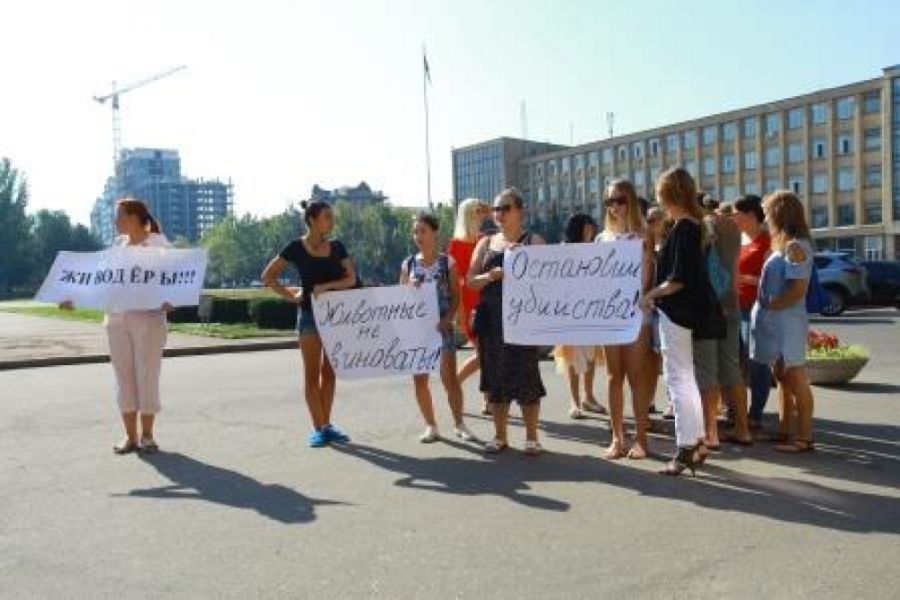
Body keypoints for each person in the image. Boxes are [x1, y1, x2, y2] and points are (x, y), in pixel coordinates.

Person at [61, 199, 171, 455]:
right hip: (116, 319)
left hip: (148, 319)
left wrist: (171, 299)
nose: (114, 221)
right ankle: (130, 437)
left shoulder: (159, 245)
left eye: (119, 216)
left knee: (147, 376)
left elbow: (175, 280)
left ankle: (147, 436)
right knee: (123, 378)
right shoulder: (117, 247)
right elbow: (98, 280)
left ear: (134, 217)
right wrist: (73, 298)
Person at [261, 199, 358, 448]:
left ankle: (327, 424)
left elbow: (351, 279)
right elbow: (268, 276)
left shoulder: (337, 247)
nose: (332, 221)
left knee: (331, 373)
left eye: (332, 216)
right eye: (327, 216)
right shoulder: (296, 247)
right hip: (309, 317)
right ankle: (319, 428)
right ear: (312, 220)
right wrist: (291, 296)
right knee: (312, 375)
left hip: (337, 318)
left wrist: (327, 286)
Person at [466, 188, 547, 454]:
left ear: (520, 211)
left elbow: (549, 278)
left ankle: (532, 437)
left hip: (524, 320)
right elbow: (470, 281)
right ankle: (500, 436)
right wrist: (491, 276)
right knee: (495, 378)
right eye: (496, 209)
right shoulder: (485, 243)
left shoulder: (534, 241)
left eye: (505, 208)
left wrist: (524, 262)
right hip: (493, 322)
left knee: (527, 376)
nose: (499, 214)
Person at [642, 167, 707, 476]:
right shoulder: (692, 225)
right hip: (684, 312)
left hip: (676, 312)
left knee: (678, 380)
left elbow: (678, 279)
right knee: (686, 379)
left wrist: (649, 294)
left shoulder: (683, 228)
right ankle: (697, 442)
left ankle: (686, 448)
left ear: (668, 193)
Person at [401, 212, 477, 443]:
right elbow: (399, 298)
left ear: (434, 233)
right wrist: (408, 286)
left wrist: (450, 318)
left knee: (449, 379)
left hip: (441, 328)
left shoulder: (447, 262)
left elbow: (456, 295)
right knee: (420, 379)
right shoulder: (408, 264)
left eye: (423, 231)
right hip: (417, 330)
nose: (418, 236)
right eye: (415, 231)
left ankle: (459, 424)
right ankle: (430, 425)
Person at [750, 191, 816, 453]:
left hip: (787, 325)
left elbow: (798, 288)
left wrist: (770, 305)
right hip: (777, 325)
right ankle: (785, 430)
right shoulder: (786, 244)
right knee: (782, 377)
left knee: (795, 378)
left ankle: (804, 438)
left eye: (767, 213)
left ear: (779, 215)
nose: (765, 218)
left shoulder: (795, 246)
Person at [596, 179, 655, 460]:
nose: (614, 206)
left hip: (636, 312)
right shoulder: (601, 238)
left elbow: (647, 275)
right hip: (608, 313)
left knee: (636, 376)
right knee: (613, 376)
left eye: (619, 200)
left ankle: (641, 438)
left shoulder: (643, 233)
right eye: (609, 201)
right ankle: (617, 437)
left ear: (630, 200)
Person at [693, 195, 753, 448]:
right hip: (731, 302)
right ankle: (743, 429)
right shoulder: (732, 226)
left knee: (706, 372)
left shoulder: (699, 227)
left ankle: (710, 433)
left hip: (707, 306)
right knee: (731, 368)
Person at [552, 213, 604, 419]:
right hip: (569, 311)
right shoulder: (564, 249)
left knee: (590, 355)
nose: (591, 230)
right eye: (588, 227)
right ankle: (574, 401)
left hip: (592, 309)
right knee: (571, 356)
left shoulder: (596, 248)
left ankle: (588, 396)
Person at [447, 198, 491, 415]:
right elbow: (454, 281)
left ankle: (488, 400)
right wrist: (458, 311)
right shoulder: (456, 244)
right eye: (478, 211)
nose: (482, 214)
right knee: (483, 354)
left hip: (487, 300)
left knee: (487, 354)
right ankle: (454, 383)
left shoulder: (485, 240)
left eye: (482, 210)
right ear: (468, 214)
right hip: (468, 302)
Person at [733, 194, 772, 430]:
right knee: (737, 361)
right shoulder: (740, 240)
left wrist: (743, 278)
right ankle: (736, 410)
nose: (734, 218)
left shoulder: (768, 242)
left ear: (750, 214)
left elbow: (771, 282)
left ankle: (755, 413)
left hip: (755, 309)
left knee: (756, 361)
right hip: (735, 308)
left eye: (737, 213)